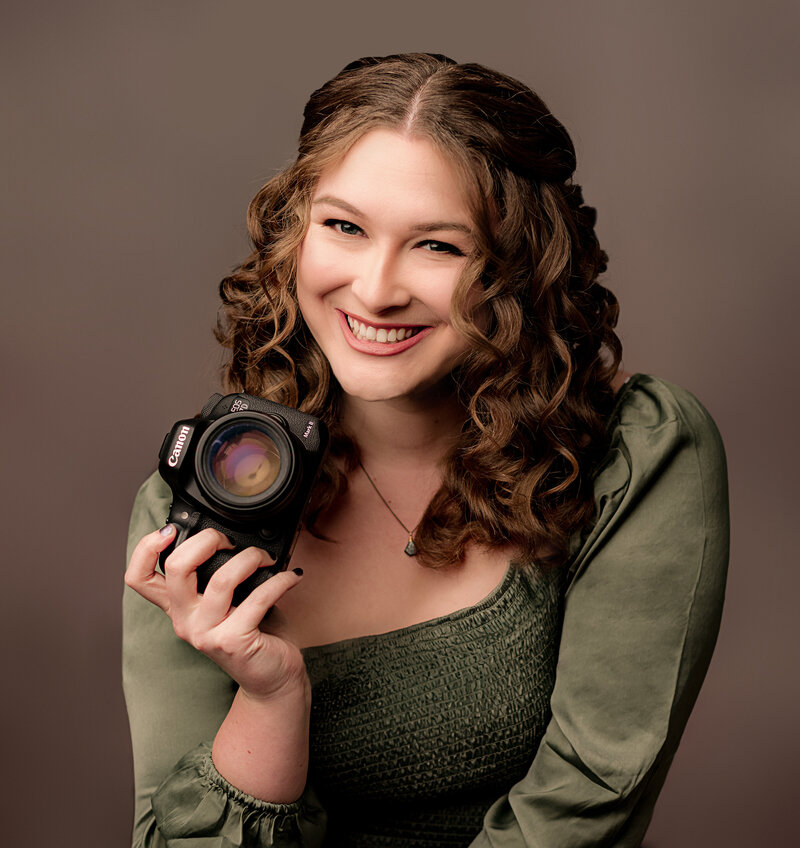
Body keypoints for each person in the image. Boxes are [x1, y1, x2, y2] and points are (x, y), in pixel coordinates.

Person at [123, 53, 729, 847]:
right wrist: (271, 698)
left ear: (521, 267)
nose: (375, 290)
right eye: (343, 227)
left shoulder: (633, 456)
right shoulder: (201, 502)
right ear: (293, 231)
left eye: (438, 246)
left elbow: (586, 803)